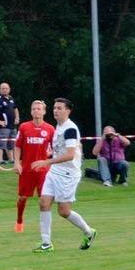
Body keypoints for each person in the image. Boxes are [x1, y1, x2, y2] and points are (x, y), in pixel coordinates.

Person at [31, 98, 96, 253]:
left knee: (64, 211)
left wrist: (47, 162)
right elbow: (61, 150)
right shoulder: (58, 127)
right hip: (55, 172)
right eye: (54, 108)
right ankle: (46, 243)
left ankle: (88, 232)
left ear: (68, 111)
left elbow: (70, 155)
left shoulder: (70, 129)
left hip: (68, 174)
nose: (56, 110)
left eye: (60, 108)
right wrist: (50, 154)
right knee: (43, 203)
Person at [13, 100, 55, 233]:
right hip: (27, 169)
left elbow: (56, 148)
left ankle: (44, 227)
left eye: (39, 108)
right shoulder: (24, 127)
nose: (36, 111)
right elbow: (17, 146)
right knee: (22, 198)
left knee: (44, 199)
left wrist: (50, 156)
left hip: (43, 170)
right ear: (31, 111)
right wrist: (16, 163)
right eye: (34, 109)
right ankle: (19, 220)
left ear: (44, 111)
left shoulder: (50, 129)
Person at [0, 82, 19, 163]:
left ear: (9, 89)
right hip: (3, 126)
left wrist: (17, 117)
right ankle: (0, 160)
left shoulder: (11, 98)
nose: (4, 90)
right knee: (1, 143)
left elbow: (15, 109)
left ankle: (11, 159)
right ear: (0, 90)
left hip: (12, 126)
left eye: (6, 88)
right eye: (2, 88)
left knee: (11, 143)